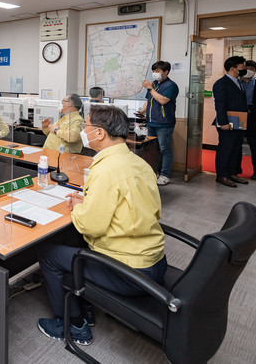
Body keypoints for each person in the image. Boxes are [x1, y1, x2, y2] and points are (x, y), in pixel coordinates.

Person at [37, 105, 166, 346]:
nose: (83, 131)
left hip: (130, 272)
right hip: (155, 262)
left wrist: (78, 208)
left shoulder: (106, 169)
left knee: (49, 254)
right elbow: (140, 207)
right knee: (74, 242)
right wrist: (88, 202)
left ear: (99, 133)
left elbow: (91, 226)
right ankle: (85, 307)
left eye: (86, 127)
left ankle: (74, 325)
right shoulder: (138, 163)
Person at [139, 61, 179, 186]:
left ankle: (165, 174)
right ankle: (154, 172)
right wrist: (141, 112)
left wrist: (150, 89)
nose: (154, 73)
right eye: (153, 71)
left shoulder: (171, 86)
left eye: (157, 71)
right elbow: (149, 100)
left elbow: (163, 100)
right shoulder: (154, 84)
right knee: (152, 149)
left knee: (164, 149)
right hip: (151, 122)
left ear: (166, 72)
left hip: (164, 123)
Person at [211, 56, 248, 188]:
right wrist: (223, 122)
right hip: (227, 122)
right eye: (242, 66)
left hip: (239, 121)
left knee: (236, 148)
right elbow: (220, 104)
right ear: (233, 68)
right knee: (225, 149)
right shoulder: (221, 83)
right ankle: (222, 175)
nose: (245, 69)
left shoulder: (239, 82)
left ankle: (232, 173)